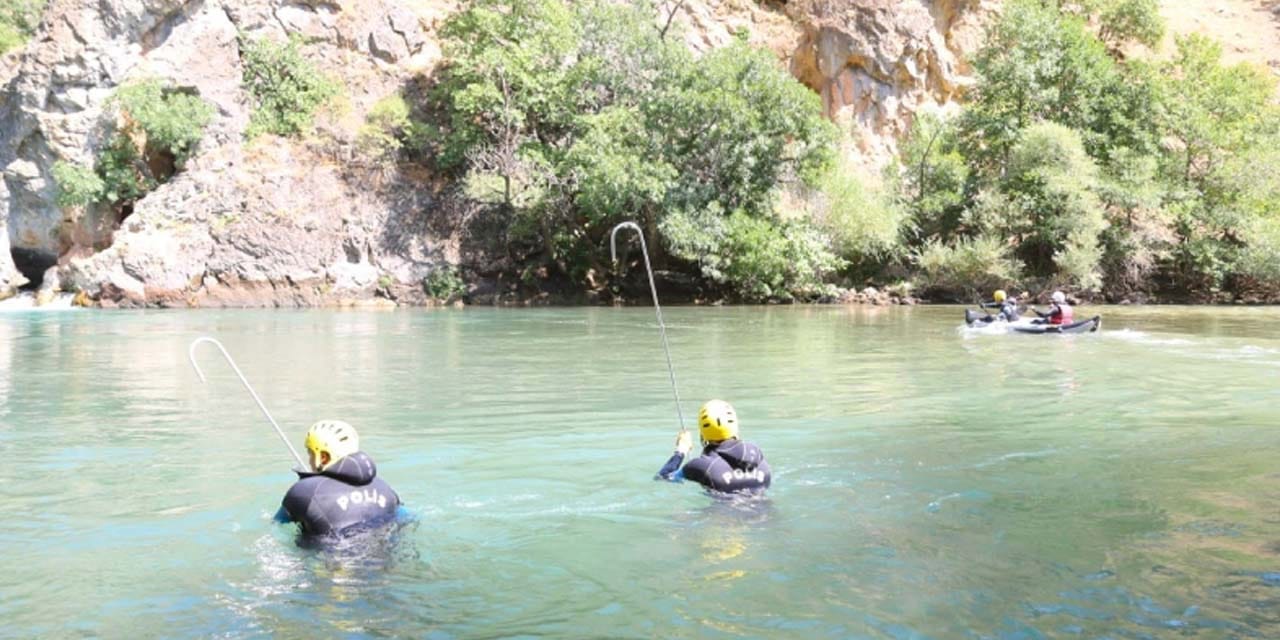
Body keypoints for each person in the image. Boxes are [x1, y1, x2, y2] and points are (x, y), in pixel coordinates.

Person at [275, 420, 401, 536]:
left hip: (332, 559)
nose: (309, 460)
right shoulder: (385, 489)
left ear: (323, 457)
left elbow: (277, 524)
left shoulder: (305, 492)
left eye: (311, 453)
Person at [655, 400, 771, 494]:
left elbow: (663, 477)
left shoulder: (702, 465)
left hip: (721, 518)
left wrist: (681, 449)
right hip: (766, 516)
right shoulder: (759, 459)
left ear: (703, 434)